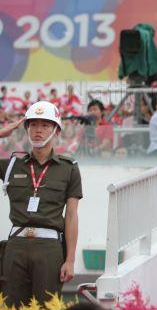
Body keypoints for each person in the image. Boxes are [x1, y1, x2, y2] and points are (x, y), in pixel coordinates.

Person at [0, 101, 82, 306]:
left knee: (47, 306)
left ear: (56, 130)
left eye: (45, 125)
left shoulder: (69, 168)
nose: (38, 130)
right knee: (10, 305)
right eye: (33, 124)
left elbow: (71, 215)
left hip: (50, 249)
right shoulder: (11, 164)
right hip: (16, 246)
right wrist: (2, 133)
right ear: (26, 128)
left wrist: (70, 260)